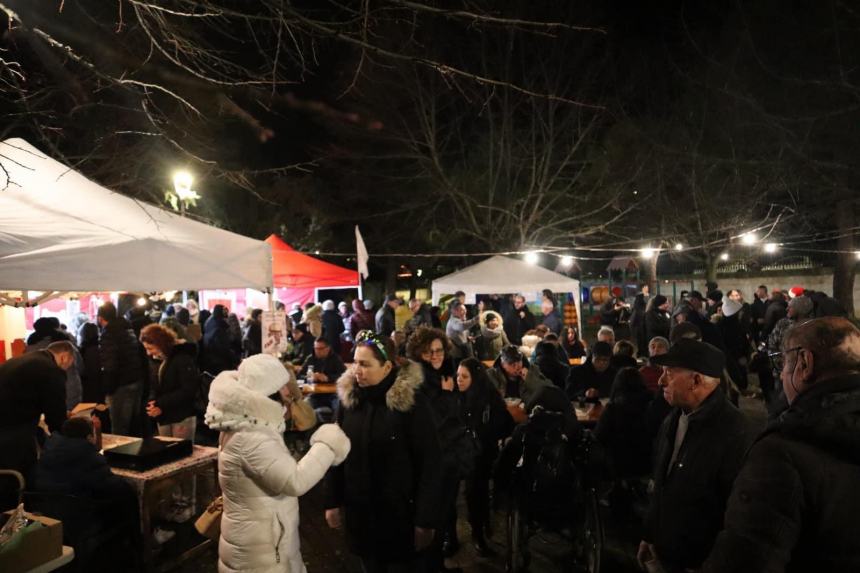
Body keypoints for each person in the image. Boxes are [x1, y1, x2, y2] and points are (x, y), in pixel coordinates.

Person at [702, 317, 860, 573]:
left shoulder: (782, 453)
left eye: (783, 363)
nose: (782, 374)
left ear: (805, 363)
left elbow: (747, 558)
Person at [205, 354, 350, 573]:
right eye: (283, 387)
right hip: (261, 552)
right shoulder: (253, 436)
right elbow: (295, 481)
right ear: (269, 391)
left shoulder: (244, 422)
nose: (289, 392)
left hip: (260, 538)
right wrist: (328, 443)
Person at [325, 331, 443, 572]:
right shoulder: (349, 402)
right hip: (361, 516)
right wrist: (333, 500)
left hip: (399, 518)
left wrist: (425, 519)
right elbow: (336, 455)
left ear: (387, 367)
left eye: (365, 364)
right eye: (355, 362)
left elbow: (431, 463)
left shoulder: (412, 405)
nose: (357, 370)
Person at [638, 339, 754, 573]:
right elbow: (661, 484)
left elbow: (741, 517)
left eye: (669, 373)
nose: (661, 381)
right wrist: (649, 535)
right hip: (666, 554)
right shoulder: (673, 419)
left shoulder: (736, 433)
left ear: (697, 380)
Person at [405, 327, 465, 560]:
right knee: (436, 506)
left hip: (451, 451)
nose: (436, 356)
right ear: (419, 353)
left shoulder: (449, 371)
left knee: (449, 503)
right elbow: (433, 420)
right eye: (429, 352)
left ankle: (446, 545)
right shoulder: (418, 380)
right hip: (433, 454)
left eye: (439, 350)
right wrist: (448, 395)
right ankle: (434, 555)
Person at [455, 358, 514, 557]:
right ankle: (478, 532)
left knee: (479, 492)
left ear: (475, 378)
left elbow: (505, 423)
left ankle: (482, 529)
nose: (459, 380)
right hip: (464, 455)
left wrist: (487, 433)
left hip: (483, 454)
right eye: (458, 376)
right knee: (473, 494)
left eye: (464, 377)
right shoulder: (455, 397)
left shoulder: (489, 398)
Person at [0, 341, 74, 483]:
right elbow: (55, 417)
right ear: (64, 357)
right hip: (14, 435)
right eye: (68, 365)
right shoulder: (51, 370)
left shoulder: (20, 360)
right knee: (18, 482)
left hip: (5, 426)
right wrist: (67, 441)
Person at [139, 324, 200, 442]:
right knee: (165, 451)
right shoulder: (159, 360)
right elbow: (154, 386)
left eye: (150, 348)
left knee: (181, 454)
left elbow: (188, 390)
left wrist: (160, 404)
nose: (148, 353)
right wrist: (153, 405)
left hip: (181, 416)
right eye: (146, 349)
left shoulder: (182, 358)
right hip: (163, 415)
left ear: (160, 343)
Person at [594, 368, 653, 480]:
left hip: (618, 464)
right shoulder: (651, 403)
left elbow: (599, 436)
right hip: (646, 461)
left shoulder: (613, 408)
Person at [97, 302, 146, 436]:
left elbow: (110, 365)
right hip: (135, 381)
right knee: (134, 424)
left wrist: (108, 389)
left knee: (120, 428)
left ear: (100, 318)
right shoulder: (127, 328)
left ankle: (122, 456)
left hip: (121, 385)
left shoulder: (109, 334)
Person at [299, 338, 346, 420]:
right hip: (315, 394)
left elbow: (344, 376)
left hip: (333, 394)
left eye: (320, 348)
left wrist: (327, 378)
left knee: (339, 406)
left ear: (328, 348)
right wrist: (310, 377)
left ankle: (334, 427)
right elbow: (299, 376)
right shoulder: (310, 359)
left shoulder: (336, 359)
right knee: (304, 406)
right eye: (315, 348)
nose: (317, 351)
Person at [487, 345, 552, 404]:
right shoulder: (492, 375)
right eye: (511, 364)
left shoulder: (532, 370)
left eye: (519, 362)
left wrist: (529, 378)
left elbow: (548, 391)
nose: (517, 367)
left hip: (527, 413)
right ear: (503, 364)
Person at [201, 304, 239, 377]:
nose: (226, 313)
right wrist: (235, 359)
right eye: (224, 311)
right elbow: (224, 347)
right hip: (220, 362)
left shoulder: (210, 323)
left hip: (211, 361)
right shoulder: (220, 327)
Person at [78, 322, 103, 403]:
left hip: (86, 389)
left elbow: (81, 371)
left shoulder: (82, 351)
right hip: (100, 387)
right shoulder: (102, 348)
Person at [630, 283, 650, 357]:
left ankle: (644, 352)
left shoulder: (649, 296)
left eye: (647, 287)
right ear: (642, 288)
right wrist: (645, 313)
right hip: (640, 322)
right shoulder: (639, 297)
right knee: (640, 338)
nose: (647, 288)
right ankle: (641, 353)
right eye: (645, 287)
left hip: (646, 321)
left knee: (645, 338)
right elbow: (638, 309)